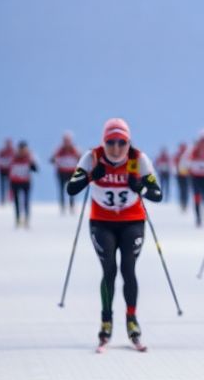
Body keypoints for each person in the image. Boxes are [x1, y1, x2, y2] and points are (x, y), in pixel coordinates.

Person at [66, 117, 162, 350]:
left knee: (128, 268)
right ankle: (106, 322)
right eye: (111, 142)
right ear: (104, 142)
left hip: (132, 221)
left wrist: (141, 187)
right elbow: (71, 188)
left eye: (122, 142)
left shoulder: (138, 159)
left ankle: (132, 320)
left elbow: (157, 194)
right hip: (102, 222)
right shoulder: (92, 157)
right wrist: (90, 176)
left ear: (128, 142)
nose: (116, 148)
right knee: (109, 270)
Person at [8, 141, 37, 227]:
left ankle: (26, 219)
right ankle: (17, 219)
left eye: (24, 149)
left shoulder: (30, 157)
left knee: (26, 201)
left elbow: (36, 169)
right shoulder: (13, 157)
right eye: (21, 149)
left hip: (26, 182)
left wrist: (32, 163)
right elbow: (8, 170)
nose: (22, 151)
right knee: (16, 202)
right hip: (15, 182)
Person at [50, 132, 81, 212]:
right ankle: (62, 206)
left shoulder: (75, 149)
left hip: (72, 172)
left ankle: (72, 205)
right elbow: (52, 159)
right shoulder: (59, 150)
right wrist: (54, 159)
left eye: (68, 141)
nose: (67, 143)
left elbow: (81, 158)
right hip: (61, 172)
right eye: (65, 141)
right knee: (61, 189)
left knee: (72, 189)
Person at [0, 138, 14, 204]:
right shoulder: (1, 152)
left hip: (10, 171)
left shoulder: (13, 151)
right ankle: (2, 199)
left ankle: (11, 199)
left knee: (11, 186)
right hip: (2, 171)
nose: (8, 145)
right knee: (2, 186)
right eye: (7, 143)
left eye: (9, 143)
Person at [173, 142, 189, 212]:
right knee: (182, 190)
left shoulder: (187, 155)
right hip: (180, 175)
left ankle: (185, 203)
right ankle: (182, 203)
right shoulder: (178, 155)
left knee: (185, 190)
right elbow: (174, 164)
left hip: (186, 175)